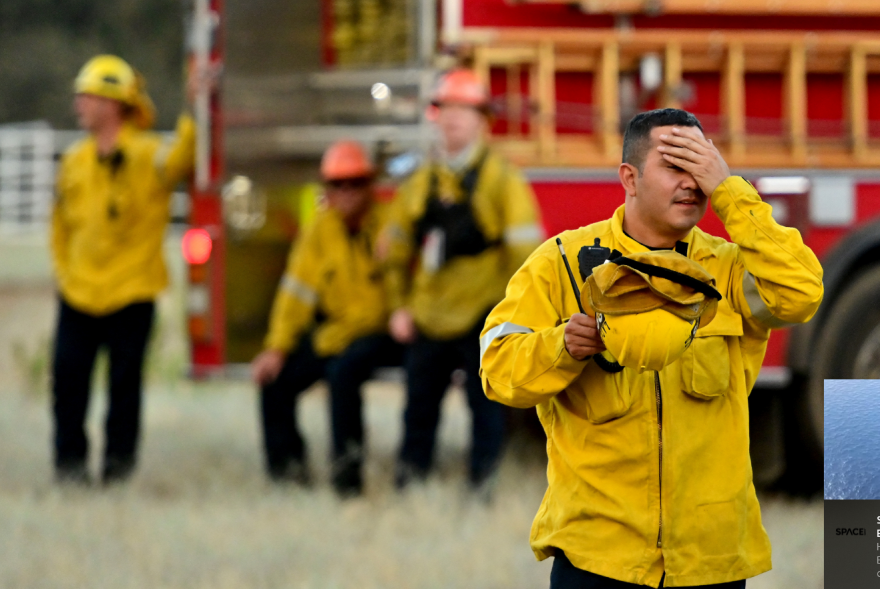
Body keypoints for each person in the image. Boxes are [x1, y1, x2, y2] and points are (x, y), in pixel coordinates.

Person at [479, 108, 824, 587]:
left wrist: (729, 191)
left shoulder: (727, 270)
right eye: (675, 167)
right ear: (630, 177)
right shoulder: (560, 263)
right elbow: (497, 370)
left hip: (710, 561)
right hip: (597, 559)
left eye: (700, 167)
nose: (691, 183)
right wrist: (563, 346)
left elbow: (802, 292)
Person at [380, 68, 543, 492]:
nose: (452, 119)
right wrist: (399, 307)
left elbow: (526, 256)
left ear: (482, 120)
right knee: (418, 408)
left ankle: (481, 487)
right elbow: (393, 253)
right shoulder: (420, 184)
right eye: (445, 109)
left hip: (482, 314)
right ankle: (409, 488)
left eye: (463, 110)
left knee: (485, 405)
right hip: (429, 314)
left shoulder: (503, 181)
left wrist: (511, 316)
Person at [50, 55, 196, 485]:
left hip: (132, 293)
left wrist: (193, 107)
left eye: (88, 96)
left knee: (123, 392)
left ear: (114, 105)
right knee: (67, 389)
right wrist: (64, 273)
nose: (79, 104)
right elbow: (59, 227)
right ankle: (70, 474)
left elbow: (181, 162)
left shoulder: (148, 154)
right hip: (78, 293)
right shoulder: (74, 161)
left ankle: (117, 475)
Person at [251, 140, 402, 496]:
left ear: (370, 185)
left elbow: (394, 293)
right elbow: (295, 294)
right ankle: (288, 479)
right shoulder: (319, 231)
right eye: (337, 184)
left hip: (383, 333)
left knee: (343, 373)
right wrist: (277, 348)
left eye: (355, 183)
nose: (346, 192)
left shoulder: (390, 225)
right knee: (275, 380)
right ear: (327, 190)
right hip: (336, 334)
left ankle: (347, 484)